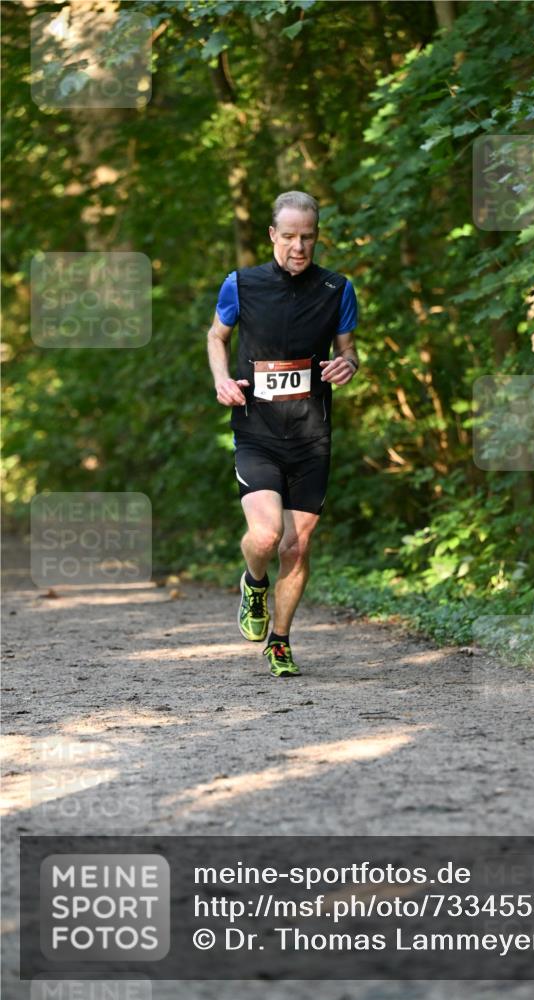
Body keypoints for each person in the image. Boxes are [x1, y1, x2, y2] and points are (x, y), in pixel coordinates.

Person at [207, 191, 358, 677]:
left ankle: (280, 640)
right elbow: (217, 337)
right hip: (257, 432)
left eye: (307, 237)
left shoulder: (337, 289)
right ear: (273, 235)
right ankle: (254, 582)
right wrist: (221, 380)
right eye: (289, 236)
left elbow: (349, 351)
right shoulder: (241, 285)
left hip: (312, 435)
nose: (299, 246)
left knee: (298, 546)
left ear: (317, 237)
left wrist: (347, 365)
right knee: (268, 534)